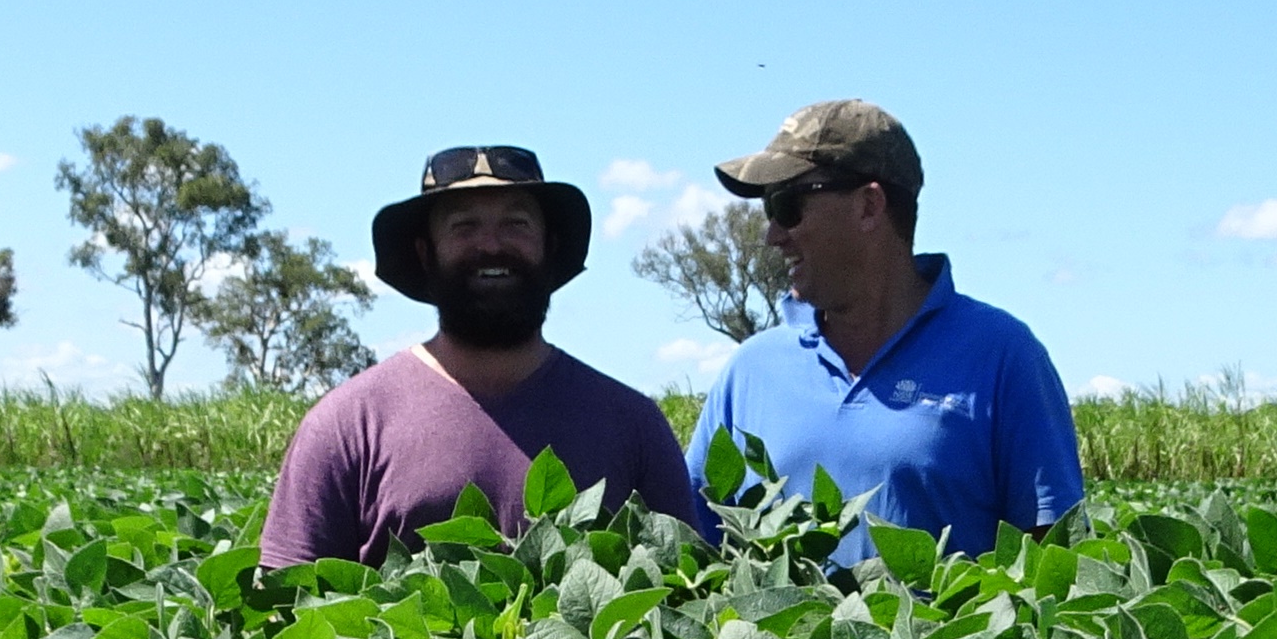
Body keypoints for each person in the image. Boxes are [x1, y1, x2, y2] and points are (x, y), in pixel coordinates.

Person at [685, 99, 1083, 566]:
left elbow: (1053, 566)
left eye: (787, 205)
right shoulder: (750, 370)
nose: (773, 234)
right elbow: (696, 548)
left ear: (869, 205)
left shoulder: (1003, 356)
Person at [261, 145, 694, 567]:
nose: (491, 245)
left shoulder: (632, 425)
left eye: (516, 224)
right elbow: (286, 611)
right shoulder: (347, 425)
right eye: (463, 227)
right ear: (425, 253)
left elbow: (683, 593)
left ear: (551, 245)